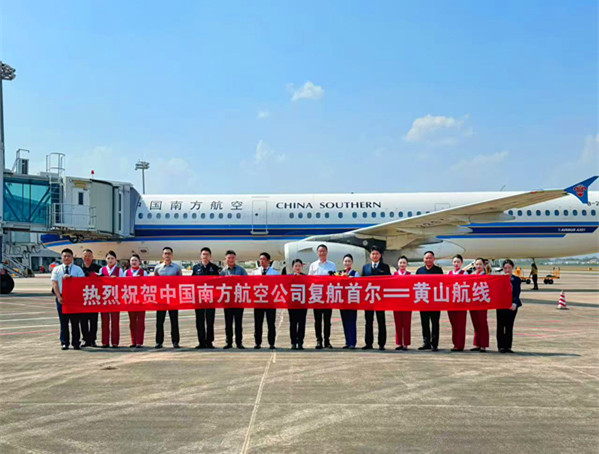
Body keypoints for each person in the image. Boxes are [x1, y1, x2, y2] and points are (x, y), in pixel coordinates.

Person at [51, 248, 85, 350]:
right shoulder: (56, 269)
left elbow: (82, 283)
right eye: (64, 256)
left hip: (74, 299)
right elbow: (54, 284)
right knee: (63, 322)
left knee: (75, 322)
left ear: (72, 257)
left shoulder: (78, 269)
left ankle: (76, 342)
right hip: (62, 297)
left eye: (68, 256)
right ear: (61, 257)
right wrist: (59, 296)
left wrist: (72, 279)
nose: (66, 258)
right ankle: (64, 342)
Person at [361, 245, 390, 350]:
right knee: (368, 321)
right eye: (373, 254)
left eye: (377, 254)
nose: (375, 256)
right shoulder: (365, 267)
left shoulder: (385, 267)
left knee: (381, 321)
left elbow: (389, 281)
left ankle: (381, 343)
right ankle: (368, 343)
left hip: (380, 298)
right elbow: (362, 282)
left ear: (380, 255)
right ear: (370, 256)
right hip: (368, 298)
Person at [308, 244, 337, 349]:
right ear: (317, 253)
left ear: (327, 252)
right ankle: (319, 340)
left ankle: (327, 341)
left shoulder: (332, 265)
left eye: (324, 251)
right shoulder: (313, 265)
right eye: (320, 251)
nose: (322, 253)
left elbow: (335, 279)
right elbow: (309, 280)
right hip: (317, 296)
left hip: (328, 295)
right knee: (318, 320)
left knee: (327, 320)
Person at [154, 247, 182, 349]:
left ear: (172, 255)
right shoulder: (157, 268)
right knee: (159, 321)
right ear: (162, 255)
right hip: (161, 298)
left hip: (173, 298)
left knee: (174, 320)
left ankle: (175, 341)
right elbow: (155, 283)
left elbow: (181, 282)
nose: (167, 255)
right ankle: (159, 341)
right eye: (165, 253)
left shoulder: (177, 268)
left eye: (169, 253)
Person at [192, 247, 220, 349]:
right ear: (200, 256)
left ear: (210, 256)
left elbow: (218, 282)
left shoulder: (214, 268)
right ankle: (201, 342)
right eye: (203, 254)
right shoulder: (196, 268)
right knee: (199, 321)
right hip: (199, 299)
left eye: (207, 254)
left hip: (211, 298)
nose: (205, 256)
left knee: (210, 321)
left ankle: (209, 341)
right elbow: (191, 282)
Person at [416, 251, 443, 351]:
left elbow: (442, 285)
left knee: (435, 323)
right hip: (423, 300)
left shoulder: (438, 270)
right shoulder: (419, 271)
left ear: (434, 259)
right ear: (423, 259)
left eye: (430, 258)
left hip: (435, 301)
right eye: (426, 258)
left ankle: (434, 344)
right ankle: (426, 342)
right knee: (424, 323)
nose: (428, 260)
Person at [220, 250, 247, 349]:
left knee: (238, 323)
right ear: (225, 259)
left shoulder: (241, 270)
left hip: (238, 300)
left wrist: (236, 278)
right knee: (228, 323)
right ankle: (229, 342)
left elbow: (247, 281)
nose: (231, 260)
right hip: (227, 301)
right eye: (229, 258)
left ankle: (239, 342)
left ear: (235, 259)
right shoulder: (223, 272)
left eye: (232, 258)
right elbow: (219, 284)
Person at [99, 251, 125, 348]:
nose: (110, 260)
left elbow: (123, 283)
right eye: (108, 258)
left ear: (115, 260)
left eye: (112, 258)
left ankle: (115, 342)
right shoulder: (102, 270)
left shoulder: (119, 270)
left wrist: (117, 279)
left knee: (115, 321)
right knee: (104, 321)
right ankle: (105, 341)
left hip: (115, 298)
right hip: (104, 298)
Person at [253, 252, 278, 349]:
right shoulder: (255, 272)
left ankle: (271, 343)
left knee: (271, 323)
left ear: (268, 261)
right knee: (258, 323)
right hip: (258, 301)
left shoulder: (275, 273)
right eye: (260, 259)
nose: (261, 261)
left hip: (270, 302)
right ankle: (257, 342)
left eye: (263, 259)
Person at [497, 259, 522, 353]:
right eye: (505, 268)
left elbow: (517, 292)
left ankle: (508, 346)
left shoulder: (516, 279)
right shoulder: (499, 279)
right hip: (501, 305)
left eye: (509, 268)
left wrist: (514, 303)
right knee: (500, 326)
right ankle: (501, 346)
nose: (507, 270)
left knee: (509, 326)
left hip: (512, 306)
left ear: (512, 268)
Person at [80, 249, 101, 348]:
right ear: (82, 257)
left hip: (94, 297)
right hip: (83, 298)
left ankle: (93, 340)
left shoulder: (98, 269)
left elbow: (105, 280)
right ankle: (86, 340)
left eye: (89, 256)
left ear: (93, 257)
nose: (87, 258)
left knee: (93, 320)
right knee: (83, 321)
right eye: (85, 256)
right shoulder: (79, 269)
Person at [447, 254, 467, 352]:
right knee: (454, 325)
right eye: (454, 262)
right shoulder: (449, 273)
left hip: (461, 303)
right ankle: (455, 344)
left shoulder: (464, 273)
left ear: (462, 263)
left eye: (458, 262)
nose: (456, 264)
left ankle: (460, 345)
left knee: (461, 325)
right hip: (451, 303)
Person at [469, 258, 489, 352]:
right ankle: (477, 343)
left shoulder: (486, 276)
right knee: (475, 324)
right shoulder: (472, 276)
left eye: (480, 264)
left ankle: (483, 344)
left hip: (482, 303)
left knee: (482, 324)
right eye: (476, 264)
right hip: (473, 303)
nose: (478, 266)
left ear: (484, 265)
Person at [339, 254, 359, 349]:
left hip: (352, 301)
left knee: (352, 321)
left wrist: (353, 279)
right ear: (343, 262)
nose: (347, 263)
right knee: (345, 322)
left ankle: (352, 342)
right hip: (342, 301)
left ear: (352, 262)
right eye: (345, 261)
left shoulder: (355, 273)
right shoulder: (340, 273)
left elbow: (359, 285)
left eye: (349, 261)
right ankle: (347, 341)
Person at [126, 254, 146, 348]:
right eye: (132, 260)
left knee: (140, 321)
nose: (134, 262)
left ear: (139, 262)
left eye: (135, 260)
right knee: (132, 321)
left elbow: (148, 284)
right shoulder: (126, 272)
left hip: (141, 300)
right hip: (130, 300)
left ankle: (139, 341)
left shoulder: (143, 272)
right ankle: (133, 341)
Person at [393, 256, 411, 351]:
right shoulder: (394, 275)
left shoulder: (410, 275)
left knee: (406, 324)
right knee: (398, 324)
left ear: (407, 264)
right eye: (400, 263)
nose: (402, 265)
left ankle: (406, 343)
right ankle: (399, 342)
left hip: (407, 303)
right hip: (396, 303)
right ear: (398, 264)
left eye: (404, 263)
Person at [289, 259, 308, 350]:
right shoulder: (288, 277)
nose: (297, 268)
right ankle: (293, 342)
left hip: (302, 304)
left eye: (299, 266)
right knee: (293, 323)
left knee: (301, 323)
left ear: (302, 267)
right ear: (293, 267)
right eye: (296, 266)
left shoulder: (306, 277)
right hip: (292, 304)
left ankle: (300, 342)